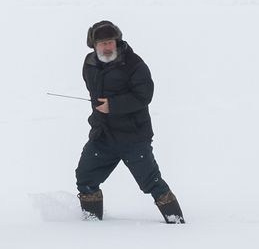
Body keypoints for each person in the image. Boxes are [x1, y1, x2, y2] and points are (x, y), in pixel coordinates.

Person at [75, 20, 183, 223]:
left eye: (110, 42)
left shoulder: (134, 64)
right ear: (93, 45)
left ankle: (177, 222)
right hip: (103, 135)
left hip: (133, 136)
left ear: (117, 42)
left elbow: (144, 95)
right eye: (102, 43)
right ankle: (91, 224)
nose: (107, 47)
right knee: (85, 177)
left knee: (151, 182)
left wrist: (113, 105)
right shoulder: (89, 64)